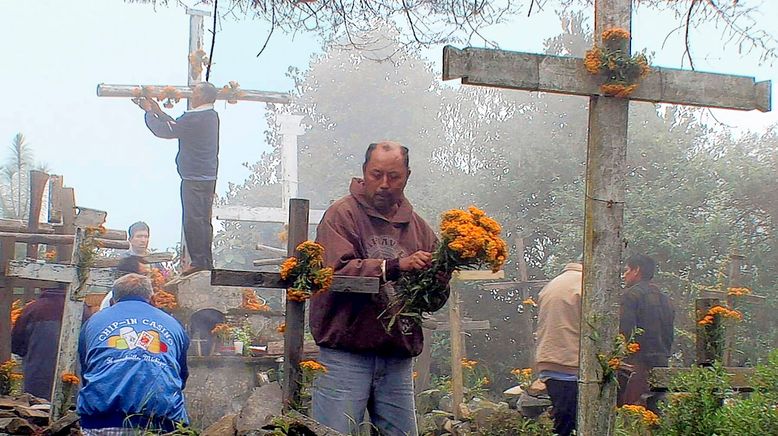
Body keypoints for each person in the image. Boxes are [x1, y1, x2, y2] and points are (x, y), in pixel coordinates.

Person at [310, 141, 447, 435]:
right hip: (346, 352)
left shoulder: (419, 228)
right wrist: (397, 266)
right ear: (364, 172)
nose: (384, 184)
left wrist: (442, 273)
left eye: (394, 176)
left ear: (407, 176)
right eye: (376, 174)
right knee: (334, 433)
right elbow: (336, 273)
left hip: (396, 355)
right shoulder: (341, 215)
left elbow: (433, 300)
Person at [77, 273, 189, 435]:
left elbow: (86, 372)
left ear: (113, 301)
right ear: (152, 300)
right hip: (163, 424)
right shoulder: (173, 325)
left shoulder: (93, 323)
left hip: (100, 422)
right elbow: (181, 377)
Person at [137, 82, 219, 275]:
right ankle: (205, 259)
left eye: (196, 92)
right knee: (203, 219)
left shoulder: (196, 117)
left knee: (193, 219)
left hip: (194, 175)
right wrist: (158, 111)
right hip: (208, 175)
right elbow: (178, 126)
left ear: (203, 97)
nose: (192, 94)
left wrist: (149, 113)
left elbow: (166, 131)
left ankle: (199, 260)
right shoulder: (210, 116)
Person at [11, 284, 89, 400]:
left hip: (37, 381)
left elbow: (16, 346)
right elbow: (88, 346)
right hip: (73, 381)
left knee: (37, 412)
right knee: (71, 415)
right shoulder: (82, 310)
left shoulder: (32, 310)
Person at [618, 253, 675, 412]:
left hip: (636, 365)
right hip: (661, 363)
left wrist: (622, 359)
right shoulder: (665, 299)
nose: (624, 275)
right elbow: (669, 335)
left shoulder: (630, 296)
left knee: (631, 413)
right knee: (654, 413)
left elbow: (625, 332)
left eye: (627, 270)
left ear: (636, 270)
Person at [534, 262, 583, 436]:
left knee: (564, 420)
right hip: (571, 362)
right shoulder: (585, 285)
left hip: (549, 360)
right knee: (573, 423)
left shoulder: (552, 285)